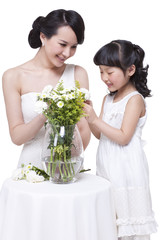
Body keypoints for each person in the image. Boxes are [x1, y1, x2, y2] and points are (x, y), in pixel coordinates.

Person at [84, 40, 157, 240]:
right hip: (107, 168)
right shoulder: (107, 99)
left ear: (131, 69)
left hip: (127, 170)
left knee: (130, 224)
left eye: (110, 72)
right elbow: (100, 135)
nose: (104, 78)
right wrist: (89, 119)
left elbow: (124, 137)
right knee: (110, 223)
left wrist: (96, 120)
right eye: (101, 72)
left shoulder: (134, 99)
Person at [2, 9, 91, 169]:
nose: (67, 53)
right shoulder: (13, 76)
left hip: (68, 168)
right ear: (43, 37)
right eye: (63, 44)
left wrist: (64, 162)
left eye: (73, 47)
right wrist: (46, 113)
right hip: (31, 169)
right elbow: (17, 137)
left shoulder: (78, 73)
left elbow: (84, 130)